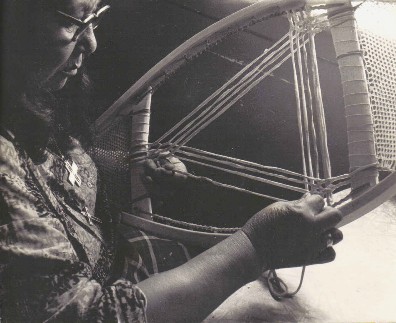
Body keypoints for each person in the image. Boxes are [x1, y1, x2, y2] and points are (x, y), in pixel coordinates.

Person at [0, 0, 343, 322]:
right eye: (71, 21)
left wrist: (135, 172)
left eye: (96, 16)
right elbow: (90, 315)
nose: (91, 42)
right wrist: (256, 250)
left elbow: (55, 172)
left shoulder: (35, 90)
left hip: (120, 259)